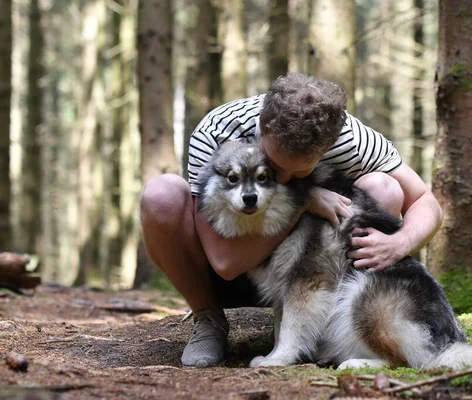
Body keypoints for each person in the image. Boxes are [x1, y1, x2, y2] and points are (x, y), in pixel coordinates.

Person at [140, 73, 442, 368]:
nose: (283, 180)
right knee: (161, 195)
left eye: (296, 173)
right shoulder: (218, 131)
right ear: (261, 127)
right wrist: (304, 200)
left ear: (329, 146)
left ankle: (339, 325)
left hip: (316, 265)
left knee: (383, 187)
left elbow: (426, 202)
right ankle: (208, 317)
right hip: (225, 270)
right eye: (274, 167)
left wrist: (399, 243)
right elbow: (224, 263)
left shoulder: (352, 138)